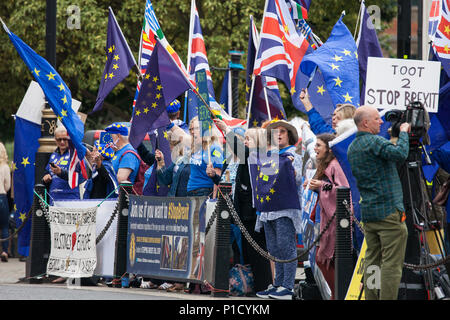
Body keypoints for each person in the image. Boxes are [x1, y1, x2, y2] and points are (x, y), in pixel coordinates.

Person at [347, 105, 410, 300]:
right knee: (391, 264)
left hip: (370, 213)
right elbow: (400, 154)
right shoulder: (375, 142)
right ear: (365, 123)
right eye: (377, 119)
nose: (381, 121)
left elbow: (382, 159)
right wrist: (404, 133)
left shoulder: (353, 147)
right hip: (389, 211)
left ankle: (372, 297)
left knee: (372, 261)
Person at [213, 119, 273, 294]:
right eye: (244, 139)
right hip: (243, 212)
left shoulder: (260, 156)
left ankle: (263, 285)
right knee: (248, 253)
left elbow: (243, 152)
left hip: (254, 213)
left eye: (249, 139)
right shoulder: (246, 158)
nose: (245, 142)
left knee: (258, 252)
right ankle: (253, 286)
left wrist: (226, 130)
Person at [254, 119, 303, 300]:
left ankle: (288, 286)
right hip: (269, 209)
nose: (279, 134)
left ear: (289, 135)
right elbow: (264, 184)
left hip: (285, 208)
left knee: (286, 246)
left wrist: (291, 169)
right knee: (274, 249)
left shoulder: (294, 156)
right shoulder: (269, 156)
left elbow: (297, 180)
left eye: (282, 131)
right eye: (275, 132)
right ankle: (277, 284)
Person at [303, 133, 351, 299]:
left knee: (325, 259)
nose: (315, 149)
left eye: (318, 145)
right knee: (321, 258)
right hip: (325, 220)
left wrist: (322, 185)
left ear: (328, 149)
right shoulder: (325, 165)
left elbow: (344, 190)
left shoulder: (334, 165)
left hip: (335, 221)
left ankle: (337, 294)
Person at [186, 116, 223, 198]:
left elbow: (218, 177)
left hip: (204, 191)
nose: (192, 132)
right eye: (191, 129)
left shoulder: (214, 148)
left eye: (196, 128)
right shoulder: (195, 147)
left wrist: (214, 199)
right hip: (190, 191)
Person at [42, 126, 82, 201]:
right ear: (55, 140)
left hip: (70, 197)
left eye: (65, 139)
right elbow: (47, 172)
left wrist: (61, 172)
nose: (62, 142)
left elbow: (78, 177)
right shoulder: (53, 155)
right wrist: (46, 177)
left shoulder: (74, 155)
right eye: (59, 139)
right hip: (54, 197)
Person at [0, 142, 11, 262]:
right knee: (4, 226)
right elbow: (7, 186)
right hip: (1, 197)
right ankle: (4, 251)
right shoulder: (5, 167)